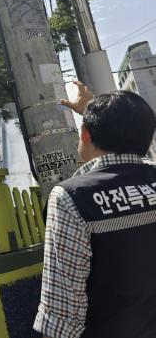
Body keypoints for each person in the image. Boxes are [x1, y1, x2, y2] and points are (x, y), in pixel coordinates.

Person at [34, 81, 156, 338]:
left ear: (84, 133)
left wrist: (93, 119)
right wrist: (96, 116)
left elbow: (62, 317)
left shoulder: (71, 198)